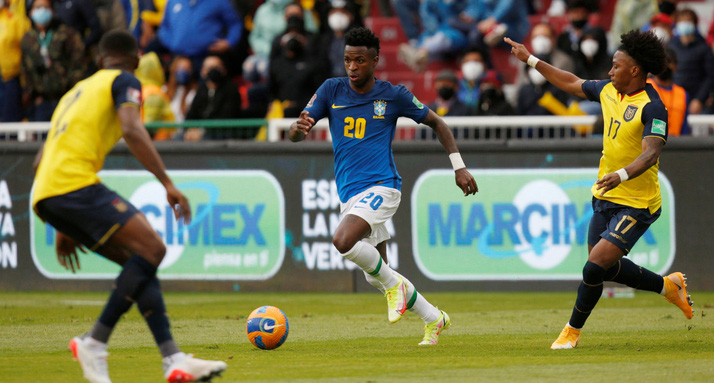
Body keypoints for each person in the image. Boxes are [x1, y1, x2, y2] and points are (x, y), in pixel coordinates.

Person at [31, 30, 227, 383]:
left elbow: (40, 159)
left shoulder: (75, 92)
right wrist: (167, 183)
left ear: (99, 59)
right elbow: (132, 129)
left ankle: (173, 358)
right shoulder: (125, 81)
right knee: (153, 248)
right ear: (136, 59)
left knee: (139, 264)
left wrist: (63, 224)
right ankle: (94, 342)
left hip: (47, 193)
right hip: (73, 185)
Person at [504, 30, 694, 350]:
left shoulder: (653, 106)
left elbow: (651, 153)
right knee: (604, 267)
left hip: (638, 202)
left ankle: (571, 332)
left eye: (616, 66)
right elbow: (569, 81)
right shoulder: (608, 91)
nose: (610, 71)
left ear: (635, 70)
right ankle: (667, 287)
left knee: (594, 266)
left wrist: (621, 174)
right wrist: (531, 60)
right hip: (605, 197)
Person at [289, 27, 478, 345]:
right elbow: (296, 134)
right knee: (375, 272)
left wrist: (458, 167)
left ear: (375, 60)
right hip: (350, 194)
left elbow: (438, 123)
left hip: (383, 187)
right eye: (348, 60)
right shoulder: (331, 91)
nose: (352, 67)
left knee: (343, 240)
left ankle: (395, 289)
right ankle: (435, 319)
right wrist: (297, 128)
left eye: (360, 60)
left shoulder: (393, 94)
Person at [20, 0, 88, 122]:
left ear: (53, 11)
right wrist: (32, 95)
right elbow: (25, 69)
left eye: (46, 7)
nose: (42, 10)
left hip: (66, 97)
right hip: (41, 101)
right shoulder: (28, 39)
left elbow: (78, 64)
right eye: (38, 7)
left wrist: (73, 93)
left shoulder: (67, 34)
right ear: (31, 12)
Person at [647, 47, 689, 136]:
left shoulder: (682, 94)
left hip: (677, 146)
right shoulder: (645, 87)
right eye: (661, 62)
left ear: (675, 66)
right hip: (651, 144)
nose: (665, 66)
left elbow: (684, 128)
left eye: (668, 62)